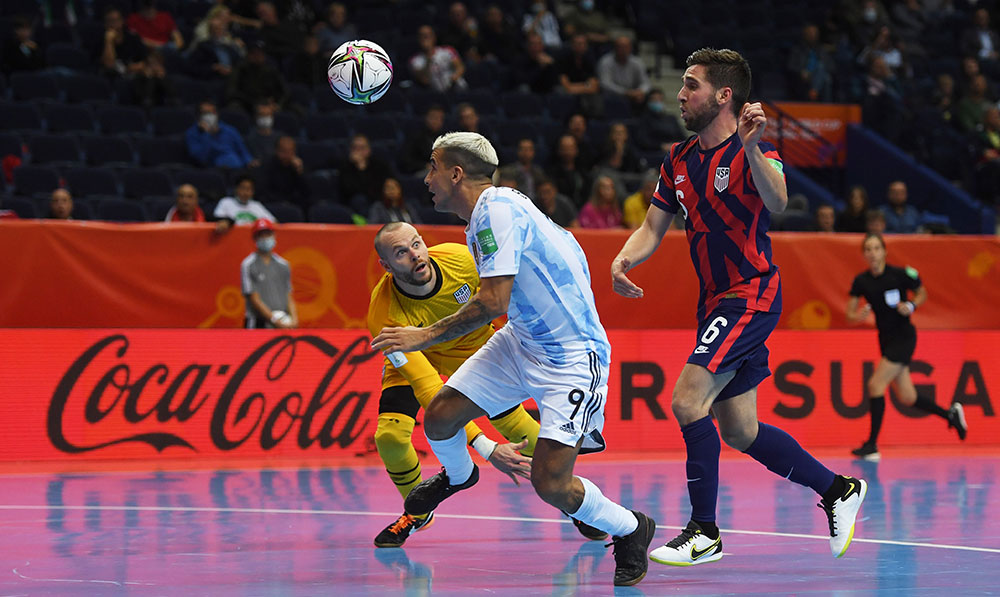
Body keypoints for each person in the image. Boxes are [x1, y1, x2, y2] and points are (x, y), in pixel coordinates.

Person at [610, 48, 866, 567]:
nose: (680, 94)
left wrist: (750, 148)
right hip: (714, 303)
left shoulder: (756, 151)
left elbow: (776, 202)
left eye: (691, 85)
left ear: (724, 95)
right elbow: (653, 226)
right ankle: (838, 488)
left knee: (686, 400)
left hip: (749, 293)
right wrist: (623, 259)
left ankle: (704, 530)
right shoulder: (677, 160)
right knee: (740, 430)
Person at [371, 132, 656, 587]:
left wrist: (422, 336)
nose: (426, 179)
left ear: (456, 173)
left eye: (432, 168)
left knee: (550, 483)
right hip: (522, 341)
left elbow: (491, 302)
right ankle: (459, 476)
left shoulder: (496, 210)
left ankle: (631, 527)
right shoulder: (495, 211)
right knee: (440, 417)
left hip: (569, 357)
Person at [366, 221, 605, 546]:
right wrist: (485, 447)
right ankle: (417, 512)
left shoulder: (461, 261)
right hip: (416, 357)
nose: (415, 255)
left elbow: (509, 300)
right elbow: (429, 391)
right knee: (390, 437)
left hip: (472, 349)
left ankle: (571, 499)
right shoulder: (384, 317)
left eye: (416, 244)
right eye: (400, 253)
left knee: (520, 430)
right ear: (386, 266)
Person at [846, 233, 966, 461]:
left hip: (904, 337)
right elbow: (849, 314)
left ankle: (872, 445)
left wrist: (911, 305)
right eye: (868, 249)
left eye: (876, 248)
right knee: (908, 397)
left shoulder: (899, 275)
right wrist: (858, 315)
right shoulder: (861, 281)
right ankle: (950, 415)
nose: (872, 253)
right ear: (864, 254)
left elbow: (922, 292)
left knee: (875, 384)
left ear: (884, 251)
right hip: (885, 340)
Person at [241, 219, 296, 329]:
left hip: (282, 320)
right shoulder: (249, 264)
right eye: (261, 235)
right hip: (257, 323)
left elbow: (288, 295)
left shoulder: (283, 265)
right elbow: (253, 298)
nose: (265, 238)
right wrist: (274, 319)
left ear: (274, 236)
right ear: (255, 238)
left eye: (268, 234)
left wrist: (294, 319)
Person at [185, 100, 254, 169]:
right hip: (213, 170)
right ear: (198, 116)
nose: (210, 115)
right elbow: (201, 158)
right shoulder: (192, 133)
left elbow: (242, 150)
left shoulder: (230, 130)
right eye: (205, 113)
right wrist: (206, 134)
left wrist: (249, 161)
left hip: (236, 167)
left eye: (213, 112)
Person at [597, 36, 651, 108]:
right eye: (620, 47)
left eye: (626, 47)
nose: (623, 50)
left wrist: (640, 91)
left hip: (634, 93)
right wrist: (625, 92)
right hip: (614, 95)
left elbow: (646, 82)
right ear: (615, 48)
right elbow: (605, 84)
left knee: (651, 96)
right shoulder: (605, 62)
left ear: (630, 48)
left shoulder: (637, 62)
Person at [258, 136, 309, 210]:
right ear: (276, 151)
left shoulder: (297, 166)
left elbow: (306, 192)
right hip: (273, 203)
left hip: (293, 202)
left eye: (290, 151)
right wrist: (281, 202)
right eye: (284, 151)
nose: (287, 155)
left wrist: (299, 171)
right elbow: (264, 191)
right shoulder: (267, 165)